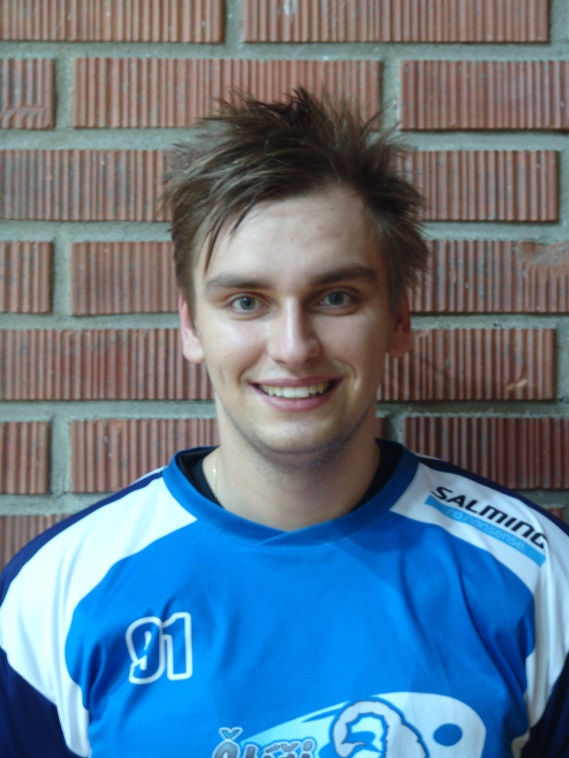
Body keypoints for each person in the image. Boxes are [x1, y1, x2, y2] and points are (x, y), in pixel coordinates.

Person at [0, 88, 567, 758]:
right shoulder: (57, 592)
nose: (294, 347)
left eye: (336, 297)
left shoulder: (535, 574)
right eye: (246, 301)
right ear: (191, 326)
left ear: (397, 320)